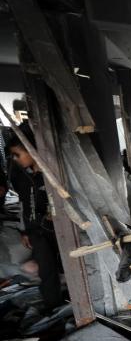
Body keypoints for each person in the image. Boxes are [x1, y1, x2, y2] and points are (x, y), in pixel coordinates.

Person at [7, 133, 63, 310]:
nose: (15, 159)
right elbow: (22, 204)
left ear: (31, 150)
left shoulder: (51, 172)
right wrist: (24, 231)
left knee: (63, 264)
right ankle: (53, 305)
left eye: (18, 154)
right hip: (36, 231)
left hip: (56, 228)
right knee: (46, 270)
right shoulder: (22, 176)